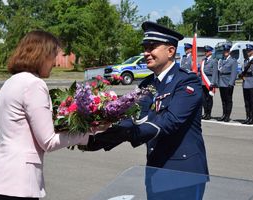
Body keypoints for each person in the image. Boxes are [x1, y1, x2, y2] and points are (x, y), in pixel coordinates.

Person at [86, 21, 208, 199]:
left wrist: (130, 133)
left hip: (184, 174)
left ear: (171, 51)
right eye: (145, 47)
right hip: (156, 171)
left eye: (152, 47)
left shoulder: (188, 82)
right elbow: (132, 117)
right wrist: (95, 140)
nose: (146, 53)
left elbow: (170, 121)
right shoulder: (147, 84)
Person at [0, 30, 90, 200]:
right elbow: (48, 142)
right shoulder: (34, 84)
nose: (55, 63)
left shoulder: (11, 82)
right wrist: (86, 135)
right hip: (17, 185)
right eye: (53, 56)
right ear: (41, 55)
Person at [239, 44, 253, 125]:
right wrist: (242, 77)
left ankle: (252, 118)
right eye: (247, 51)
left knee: (252, 101)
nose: (247, 52)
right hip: (246, 83)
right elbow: (242, 71)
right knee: (247, 102)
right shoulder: (246, 61)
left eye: (249, 51)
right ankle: (247, 117)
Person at [217, 44, 238, 122]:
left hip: (228, 82)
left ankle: (227, 116)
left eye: (227, 51)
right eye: (224, 51)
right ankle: (224, 114)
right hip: (222, 83)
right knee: (223, 100)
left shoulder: (233, 61)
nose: (225, 52)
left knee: (228, 100)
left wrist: (231, 83)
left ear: (229, 52)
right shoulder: (221, 60)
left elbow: (234, 73)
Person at [200, 45, 218, 120]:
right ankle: (205, 113)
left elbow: (215, 73)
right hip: (203, 82)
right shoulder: (203, 61)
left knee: (209, 99)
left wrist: (213, 83)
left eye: (207, 51)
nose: (205, 53)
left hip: (209, 82)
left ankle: (209, 114)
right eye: (205, 51)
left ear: (210, 52)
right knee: (203, 99)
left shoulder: (214, 61)